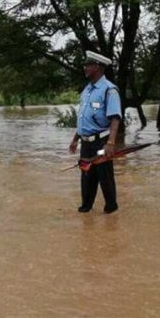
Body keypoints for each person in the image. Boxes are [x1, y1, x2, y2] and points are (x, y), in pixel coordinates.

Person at [69, 51, 122, 214]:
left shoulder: (109, 90)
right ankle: (86, 208)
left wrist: (111, 143)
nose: (85, 68)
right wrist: (75, 139)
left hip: (101, 142)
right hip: (86, 142)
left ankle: (111, 209)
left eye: (88, 65)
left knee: (104, 175)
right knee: (86, 175)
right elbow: (83, 117)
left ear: (97, 67)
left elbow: (115, 118)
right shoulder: (87, 90)